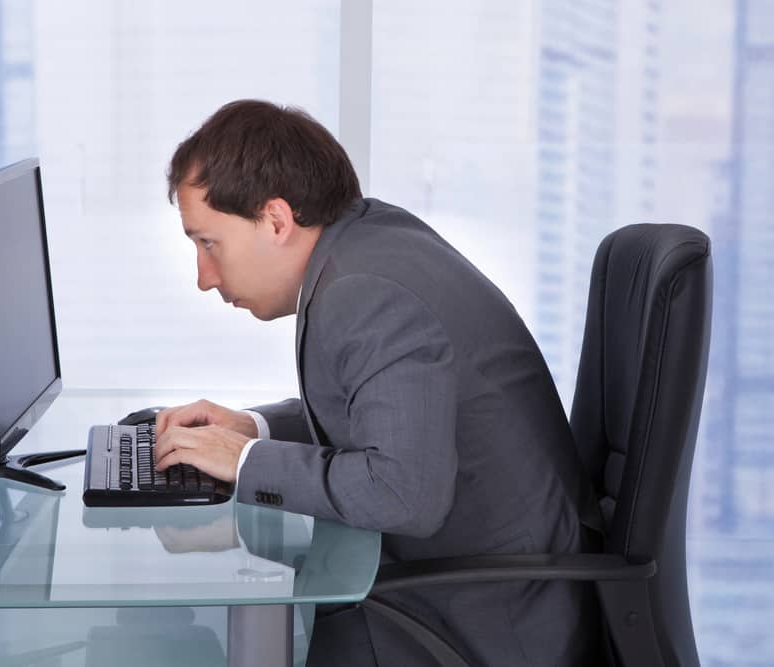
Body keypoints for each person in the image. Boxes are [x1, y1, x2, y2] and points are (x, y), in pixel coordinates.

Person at [152, 99, 602, 666]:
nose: (202, 277)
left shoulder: (366, 292)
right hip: (468, 578)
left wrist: (245, 461)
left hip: (487, 617)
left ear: (275, 220)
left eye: (208, 243)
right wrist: (253, 427)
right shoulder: (368, 240)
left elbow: (399, 493)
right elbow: (373, 409)